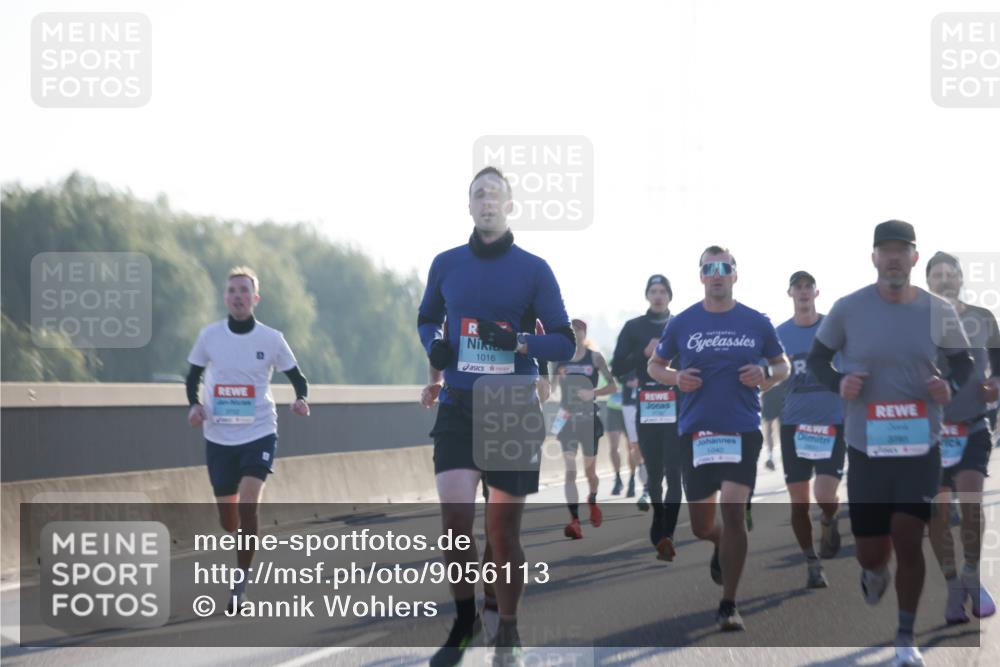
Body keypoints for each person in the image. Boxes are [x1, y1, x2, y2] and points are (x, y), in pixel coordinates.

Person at [418, 166, 575, 666]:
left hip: (511, 406)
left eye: (495, 195)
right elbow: (427, 319)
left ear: (510, 207)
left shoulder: (534, 269)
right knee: (456, 523)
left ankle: (506, 627)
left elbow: (564, 340)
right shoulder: (446, 264)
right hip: (459, 405)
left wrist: (521, 341)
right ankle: (465, 622)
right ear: (469, 207)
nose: (487, 201)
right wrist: (437, 347)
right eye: (478, 194)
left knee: (502, 533)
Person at [807, 221, 974, 667]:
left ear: (915, 259)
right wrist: (840, 382)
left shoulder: (938, 311)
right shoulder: (848, 308)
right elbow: (818, 359)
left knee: (908, 535)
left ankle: (905, 637)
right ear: (875, 258)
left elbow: (963, 364)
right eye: (887, 250)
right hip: (866, 448)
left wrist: (949, 387)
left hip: (921, 444)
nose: (895, 258)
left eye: (903, 250)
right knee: (872, 549)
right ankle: (873, 571)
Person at [648, 246, 789, 631]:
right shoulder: (683, 323)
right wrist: (676, 378)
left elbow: (783, 365)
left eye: (723, 267)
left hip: (741, 429)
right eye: (709, 268)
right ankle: (719, 543)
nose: (717, 273)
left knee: (732, 508)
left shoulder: (756, 322)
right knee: (701, 526)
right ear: (701, 276)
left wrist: (765, 372)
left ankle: (729, 603)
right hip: (696, 432)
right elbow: (655, 365)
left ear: (734, 275)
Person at [185, 266, 310, 612]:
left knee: (248, 504)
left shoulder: (271, 339)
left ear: (255, 299)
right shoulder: (210, 336)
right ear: (226, 298)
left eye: (244, 291)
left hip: (259, 431)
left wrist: (300, 399)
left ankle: (240, 582)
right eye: (232, 291)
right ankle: (241, 540)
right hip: (219, 435)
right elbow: (193, 375)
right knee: (229, 520)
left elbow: (298, 378)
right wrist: (195, 405)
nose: (238, 296)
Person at [924, 251, 998, 624]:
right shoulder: (917, 320)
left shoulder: (982, 318)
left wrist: (996, 385)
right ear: (927, 282)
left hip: (972, 424)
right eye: (936, 275)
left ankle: (971, 573)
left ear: (961, 277)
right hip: (929, 432)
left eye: (949, 273)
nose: (944, 279)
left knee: (971, 501)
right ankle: (953, 585)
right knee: (937, 513)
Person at [775, 270, 846, 590]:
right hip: (794, 425)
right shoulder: (778, 335)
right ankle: (812, 562)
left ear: (817, 293)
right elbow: (769, 375)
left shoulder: (834, 328)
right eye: (797, 287)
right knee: (800, 503)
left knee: (825, 495)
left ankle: (829, 519)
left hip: (832, 422)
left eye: (808, 287)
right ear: (790, 294)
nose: (803, 292)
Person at [612, 274, 684, 560]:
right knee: (654, 474)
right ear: (647, 296)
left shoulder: (681, 325)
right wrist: (642, 354)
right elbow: (617, 366)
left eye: (662, 291)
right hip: (647, 408)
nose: (658, 296)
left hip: (677, 408)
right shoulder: (634, 328)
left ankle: (668, 533)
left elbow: (694, 363)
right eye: (653, 291)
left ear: (669, 295)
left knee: (675, 474)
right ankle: (658, 518)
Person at [552, 319, 617, 539]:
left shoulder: (595, 357)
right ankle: (574, 520)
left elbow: (612, 385)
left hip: (589, 420)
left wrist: (593, 394)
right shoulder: (559, 360)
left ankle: (592, 498)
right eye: (570, 330)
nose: (574, 333)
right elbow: (550, 390)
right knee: (570, 470)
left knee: (590, 472)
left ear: (584, 333)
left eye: (577, 330)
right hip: (567, 419)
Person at [604, 388, 628, 494]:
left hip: (631, 408)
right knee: (613, 447)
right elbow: (601, 387)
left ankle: (633, 478)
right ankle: (617, 478)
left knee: (633, 446)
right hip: (613, 410)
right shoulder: (609, 373)